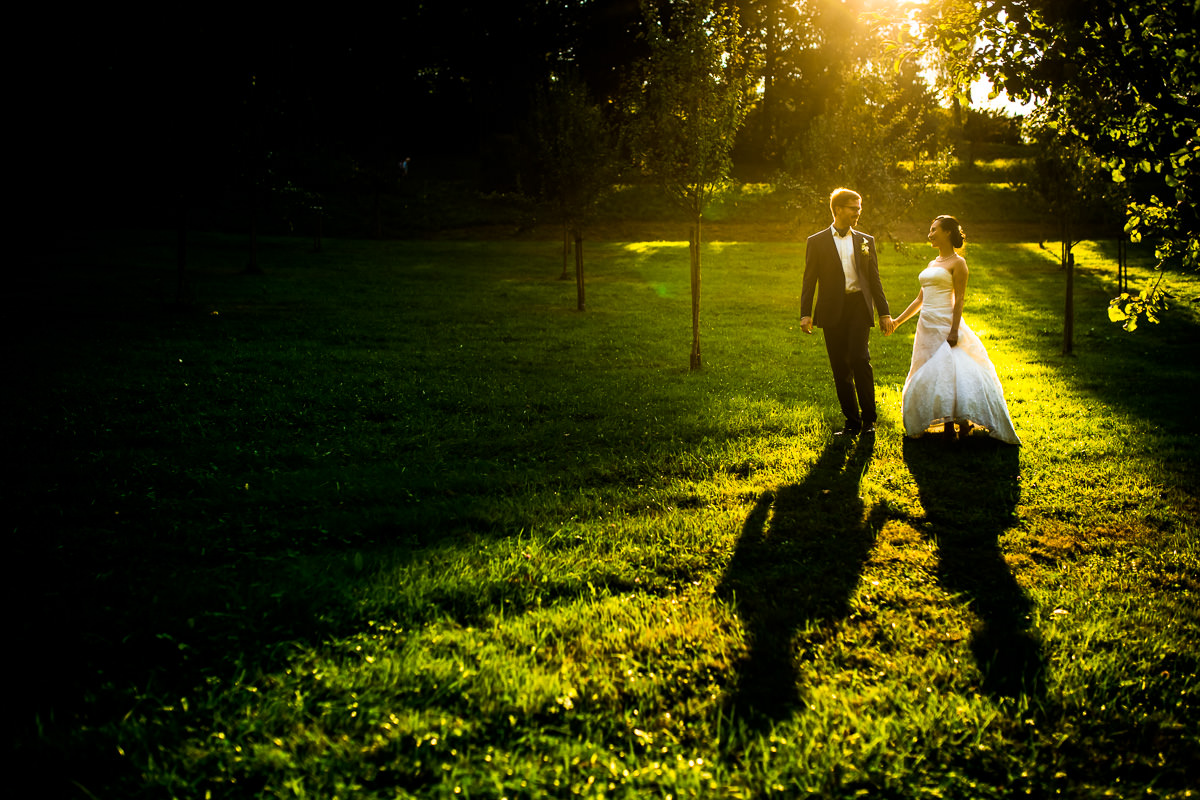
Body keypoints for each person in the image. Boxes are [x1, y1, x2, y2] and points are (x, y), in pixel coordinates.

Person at [891, 215, 1020, 444]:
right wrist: (897, 321)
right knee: (931, 371)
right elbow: (920, 299)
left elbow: (959, 299)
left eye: (933, 230)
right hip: (926, 326)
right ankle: (949, 422)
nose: (929, 234)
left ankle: (955, 423)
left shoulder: (958, 263)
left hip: (945, 322)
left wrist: (953, 330)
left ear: (947, 232)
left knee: (950, 370)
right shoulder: (933, 264)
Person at [801, 188, 894, 436]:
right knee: (840, 367)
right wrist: (805, 313)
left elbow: (875, 280)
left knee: (859, 358)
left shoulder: (866, 241)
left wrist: (884, 313)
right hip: (831, 309)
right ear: (838, 209)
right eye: (854, 208)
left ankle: (869, 420)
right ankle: (852, 422)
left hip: (858, 308)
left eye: (859, 208)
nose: (858, 212)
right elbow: (809, 280)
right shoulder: (816, 241)